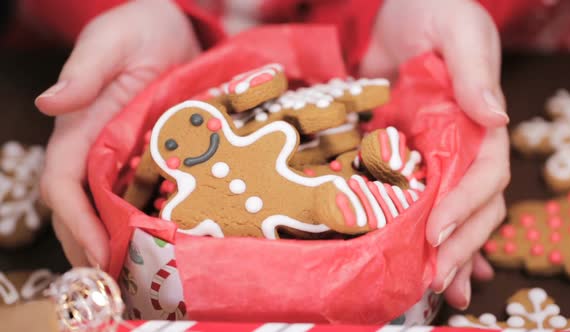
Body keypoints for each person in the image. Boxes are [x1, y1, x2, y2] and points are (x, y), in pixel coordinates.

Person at [33, 0, 509, 310]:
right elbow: (192, 204)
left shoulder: (265, 143)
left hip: (306, 174)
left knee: (322, 191)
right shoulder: (191, 200)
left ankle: (384, 188)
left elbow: (277, 138)